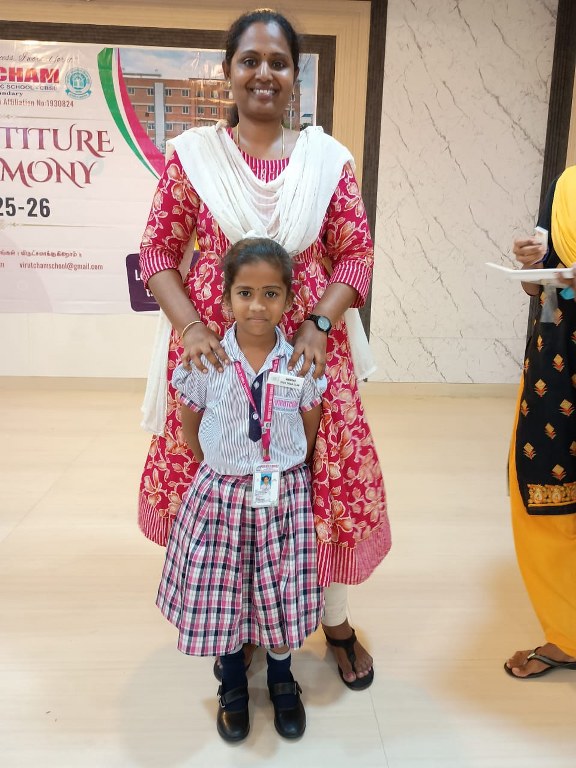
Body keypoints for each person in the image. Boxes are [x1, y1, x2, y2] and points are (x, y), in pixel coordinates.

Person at [138, 8, 391, 689]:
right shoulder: (194, 157)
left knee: (316, 488)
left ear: (294, 76)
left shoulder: (326, 161)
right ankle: (241, 622)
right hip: (218, 356)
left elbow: (356, 256)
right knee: (228, 486)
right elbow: (158, 251)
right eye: (249, 60)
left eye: (278, 62)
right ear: (228, 71)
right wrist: (191, 329)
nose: (263, 73)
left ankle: (334, 621)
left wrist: (318, 326)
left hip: (307, 358)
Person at [157, 238, 325, 741]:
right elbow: (190, 424)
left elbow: (309, 426)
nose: (257, 305)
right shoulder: (205, 360)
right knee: (223, 594)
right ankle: (232, 682)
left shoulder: (299, 362)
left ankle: (280, 678)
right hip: (221, 498)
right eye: (245, 293)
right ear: (227, 297)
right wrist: (221, 466)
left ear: (289, 299)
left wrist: (284, 467)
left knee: (280, 592)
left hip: (283, 499)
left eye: (271, 294)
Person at [505, 165, 576, 679]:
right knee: (546, 492)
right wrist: (531, 265)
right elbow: (542, 284)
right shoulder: (566, 187)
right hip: (560, 360)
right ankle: (567, 635)